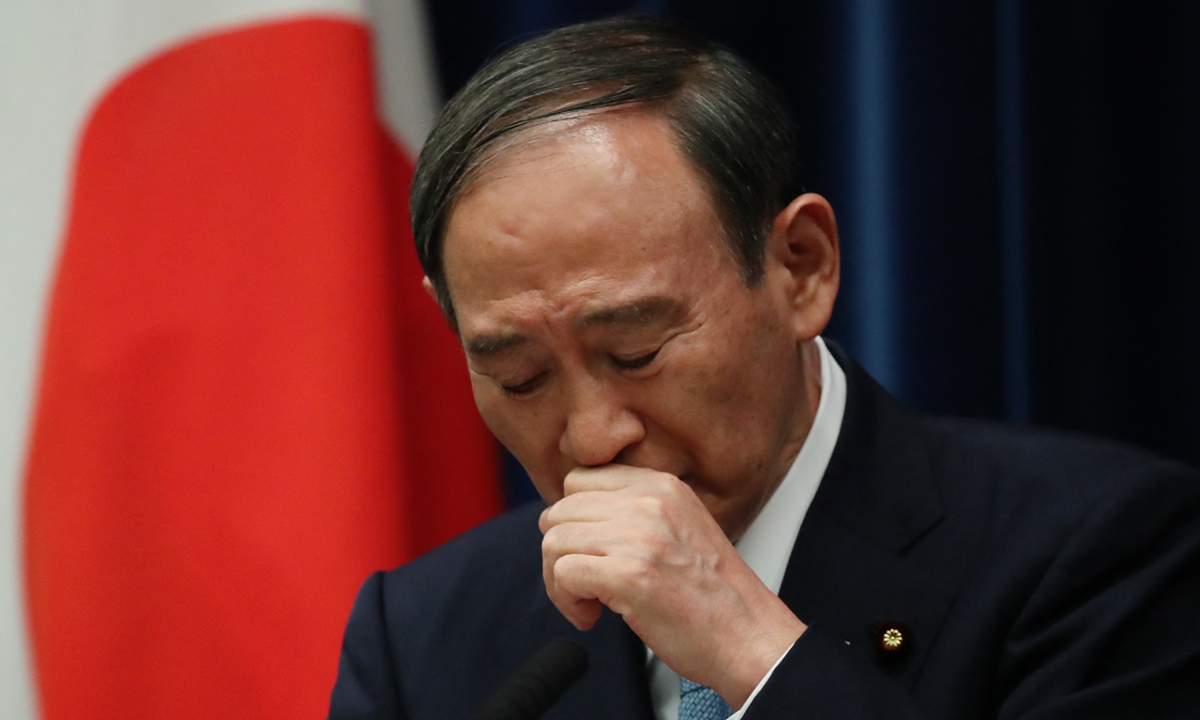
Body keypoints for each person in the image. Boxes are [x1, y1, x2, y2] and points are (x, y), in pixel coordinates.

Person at [328, 14, 1200, 720]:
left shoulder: (1098, 554)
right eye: (520, 377)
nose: (593, 436)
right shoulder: (421, 637)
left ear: (801, 267)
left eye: (636, 351)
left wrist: (755, 656)